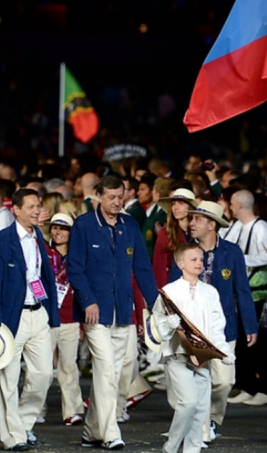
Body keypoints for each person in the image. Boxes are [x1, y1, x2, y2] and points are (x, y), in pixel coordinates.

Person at [67, 175, 159, 450]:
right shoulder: (83, 226)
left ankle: (91, 430)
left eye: (120, 197)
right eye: (111, 197)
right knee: (106, 370)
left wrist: (155, 305)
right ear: (98, 196)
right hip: (96, 312)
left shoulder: (130, 225)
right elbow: (75, 269)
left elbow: (142, 268)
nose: (117, 202)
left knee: (120, 373)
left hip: (124, 310)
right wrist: (88, 301)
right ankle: (110, 432)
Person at [167, 200, 258, 441]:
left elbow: (243, 290)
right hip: (192, 330)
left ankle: (214, 418)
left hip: (223, 328)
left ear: (212, 225)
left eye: (197, 219)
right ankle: (202, 427)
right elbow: (172, 290)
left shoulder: (232, 252)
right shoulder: (185, 251)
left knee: (224, 382)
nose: (191, 223)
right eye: (192, 219)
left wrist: (250, 324)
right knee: (199, 380)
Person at [0, 188, 60, 452]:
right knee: (8, 379)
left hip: (39, 313)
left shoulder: (39, 235)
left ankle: (24, 425)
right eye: (31, 207)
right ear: (15, 210)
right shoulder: (3, 241)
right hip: (11, 318)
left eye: (38, 206)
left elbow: (44, 278)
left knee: (43, 375)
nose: (37, 210)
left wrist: (53, 316)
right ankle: (14, 437)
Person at [153, 242, 232, 453]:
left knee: (201, 408)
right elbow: (158, 320)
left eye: (200, 259)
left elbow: (217, 324)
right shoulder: (170, 291)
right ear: (180, 264)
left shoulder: (209, 292)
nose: (199, 263)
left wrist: (223, 349)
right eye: (193, 259)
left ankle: (192, 449)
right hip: (178, 356)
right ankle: (171, 446)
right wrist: (167, 326)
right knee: (188, 403)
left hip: (202, 357)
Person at [221, 189, 267, 407]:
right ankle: (246, 385)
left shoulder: (260, 228)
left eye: (232, 204)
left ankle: (264, 387)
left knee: (256, 340)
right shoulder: (235, 226)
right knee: (242, 341)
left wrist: (241, 259)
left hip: (257, 292)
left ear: (240, 205)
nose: (230, 208)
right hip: (239, 291)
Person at [42, 213, 84, 426]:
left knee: (69, 366)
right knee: (42, 368)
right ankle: (37, 408)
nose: (58, 232)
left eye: (63, 228)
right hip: (47, 318)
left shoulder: (78, 255)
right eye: (54, 228)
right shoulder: (44, 252)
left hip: (70, 317)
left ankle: (72, 410)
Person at [152, 188, 197, 288]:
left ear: (190, 206)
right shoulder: (166, 233)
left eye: (180, 203)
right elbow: (159, 267)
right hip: (173, 286)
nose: (175, 208)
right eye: (173, 204)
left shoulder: (198, 233)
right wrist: (163, 294)